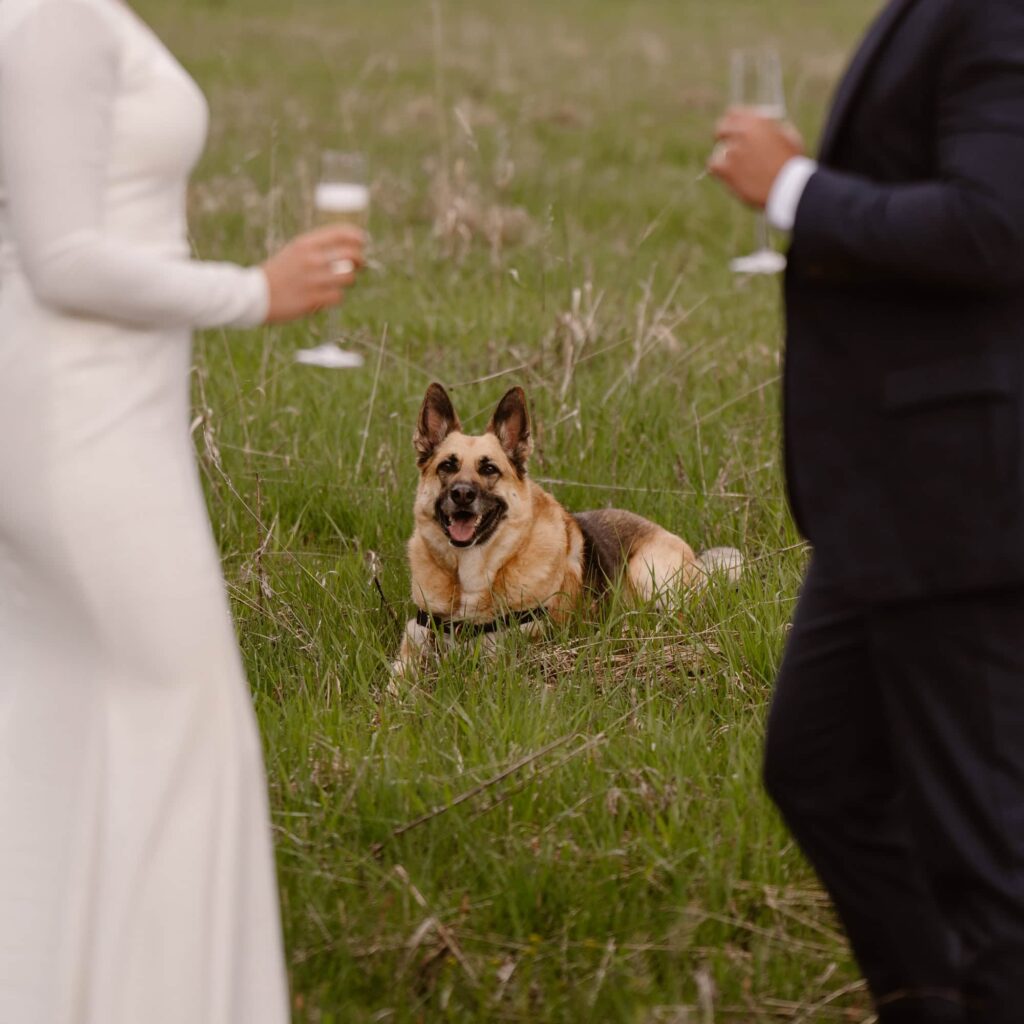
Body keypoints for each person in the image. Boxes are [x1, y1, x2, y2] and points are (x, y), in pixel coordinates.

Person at [0, 0, 364, 1021]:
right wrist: (254, 290)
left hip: (113, 414)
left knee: (75, 725)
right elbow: (60, 257)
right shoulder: (57, 20)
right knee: (180, 717)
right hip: (78, 424)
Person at [708, 1, 1024, 1021]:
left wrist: (793, 187)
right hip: (879, 499)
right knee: (818, 767)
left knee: (985, 858)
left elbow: (992, 226)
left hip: (961, 495)